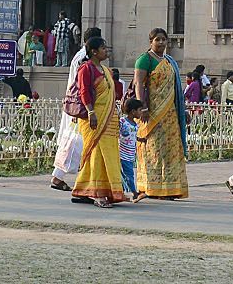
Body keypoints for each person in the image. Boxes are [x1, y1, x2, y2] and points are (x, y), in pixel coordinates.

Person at [131, 27, 190, 199]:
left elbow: (177, 90)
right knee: (154, 151)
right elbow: (138, 85)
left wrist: (183, 109)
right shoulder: (144, 60)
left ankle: (170, 189)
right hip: (152, 113)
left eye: (164, 39)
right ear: (151, 42)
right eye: (157, 39)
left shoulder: (170, 61)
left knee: (171, 151)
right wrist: (142, 108)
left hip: (170, 114)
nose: (161, 42)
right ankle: (152, 187)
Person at [70, 37, 126, 208]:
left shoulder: (106, 70)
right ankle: (96, 193)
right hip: (94, 118)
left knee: (107, 154)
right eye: (103, 48)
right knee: (95, 153)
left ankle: (85, 190)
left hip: (108, 119)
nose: (106, 50)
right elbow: (85, 91)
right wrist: (91, 112)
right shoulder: (86, 69)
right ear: (94, 51)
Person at [50, 28, 103, 191]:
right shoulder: (84, 59)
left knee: (76, 142)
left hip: (82, 106)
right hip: (81, 107)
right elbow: (83, 86)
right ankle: (58, 177)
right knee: (74, 143)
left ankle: (73, 177)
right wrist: (88, 108)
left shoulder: (81, 57)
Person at [121, 97, 146, 201]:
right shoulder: (122, 121)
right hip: (122, 153)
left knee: (128, 173)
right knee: (128, 174)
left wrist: (140, 139)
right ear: (133, 111)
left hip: (131, 154)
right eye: (140, 110)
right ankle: (134, 192)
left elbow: (132, 136)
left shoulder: (135, 124)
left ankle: (126, 191)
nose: (141, 113)